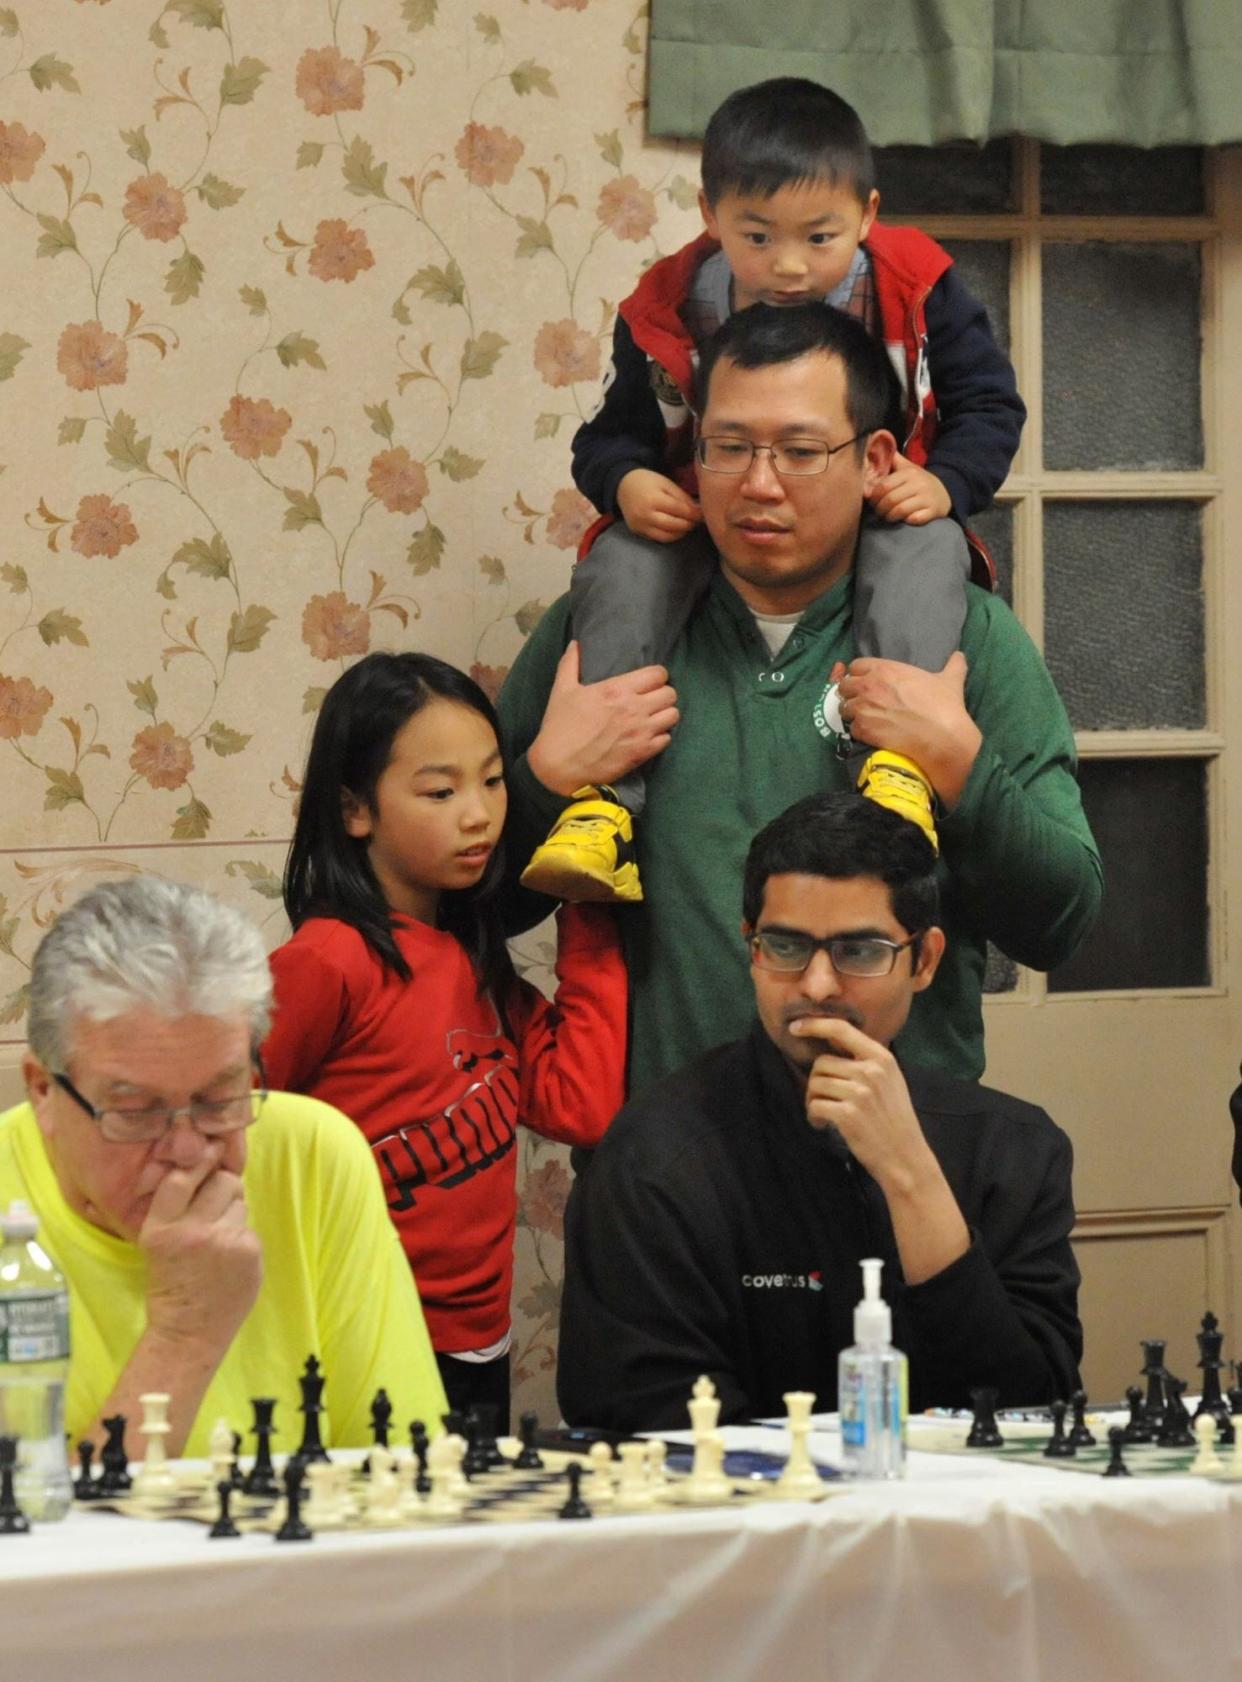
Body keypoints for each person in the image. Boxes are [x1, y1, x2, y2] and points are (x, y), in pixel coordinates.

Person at [499, 303, 1101, 1098]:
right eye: (730, 448)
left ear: (877, 459)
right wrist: (545, 781)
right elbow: (459, 908)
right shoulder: (604, 635)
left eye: (801, 451)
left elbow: (1060, 923)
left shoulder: (966, 637)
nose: (758, 484)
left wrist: (961, 767)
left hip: (896, 1161)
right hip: (656, 1172)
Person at [521, 76, 1025, 902]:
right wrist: (631, 478)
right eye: (756, 237)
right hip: (700, 516)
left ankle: (896, 771)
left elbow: (990, 404)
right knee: (621, 562)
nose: (789, 267)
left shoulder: (919, 287)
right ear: (710, 214)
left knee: (926, 549)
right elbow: (609, 437)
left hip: (888, 501)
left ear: (867, 215)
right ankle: (601, 805)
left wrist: (947, 481)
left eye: (820, 237)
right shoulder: (666, 306)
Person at [557, 793, 1083, 1431]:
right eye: (785, 947)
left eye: (859, 951)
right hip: (747, 1522)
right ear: (750, 948)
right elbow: (644, 1421)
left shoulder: (1015, 1149)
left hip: (959, 1523)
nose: (817, 986)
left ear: (924, 961)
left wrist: (909, 1173)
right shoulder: (654, 1158)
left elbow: (1030, 1412)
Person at [262, 652, 626, 1429]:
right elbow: (225, 1132)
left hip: (480, 1347)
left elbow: (583, 1106)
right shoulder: (326, 962)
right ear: (355, 808)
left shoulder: (472, 965)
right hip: (357, 1342)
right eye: (440, 790)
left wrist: (587, 907)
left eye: (493, 781)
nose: (480, 814)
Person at [2, 875, 447, 1459]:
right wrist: (185, 1332)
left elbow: (404, 1470)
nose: (188, 1150)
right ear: (42, 1092)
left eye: (219, 1102)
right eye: (135, 1112)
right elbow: (28, 1541)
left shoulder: (311, 1155)